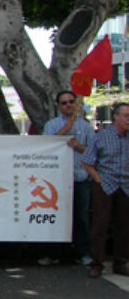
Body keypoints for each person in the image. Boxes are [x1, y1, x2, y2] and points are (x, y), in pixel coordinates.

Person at [39, 91, 94, 267]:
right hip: (56, 181)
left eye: (71, 102)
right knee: (55, 217)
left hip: (79, 179)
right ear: (58, 106)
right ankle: (53, 253)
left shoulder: (85, 127)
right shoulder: (51, 125)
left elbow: (93, 153)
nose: (68, 105)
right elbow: (43, 149)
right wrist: (63, 132)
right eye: (64, 103)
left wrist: (78, 146)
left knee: (81, 218)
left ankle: (83, 253)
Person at [81, 101, 129, 279]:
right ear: (115, 117)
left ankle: (120, 262)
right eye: (126, 116)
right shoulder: (101, 136)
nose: (128, 120)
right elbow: (86, 162)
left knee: (124, 226)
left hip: (125, 185)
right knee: (100, 226)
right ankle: (97, 264)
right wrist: (99, 180)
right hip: (105, 184)